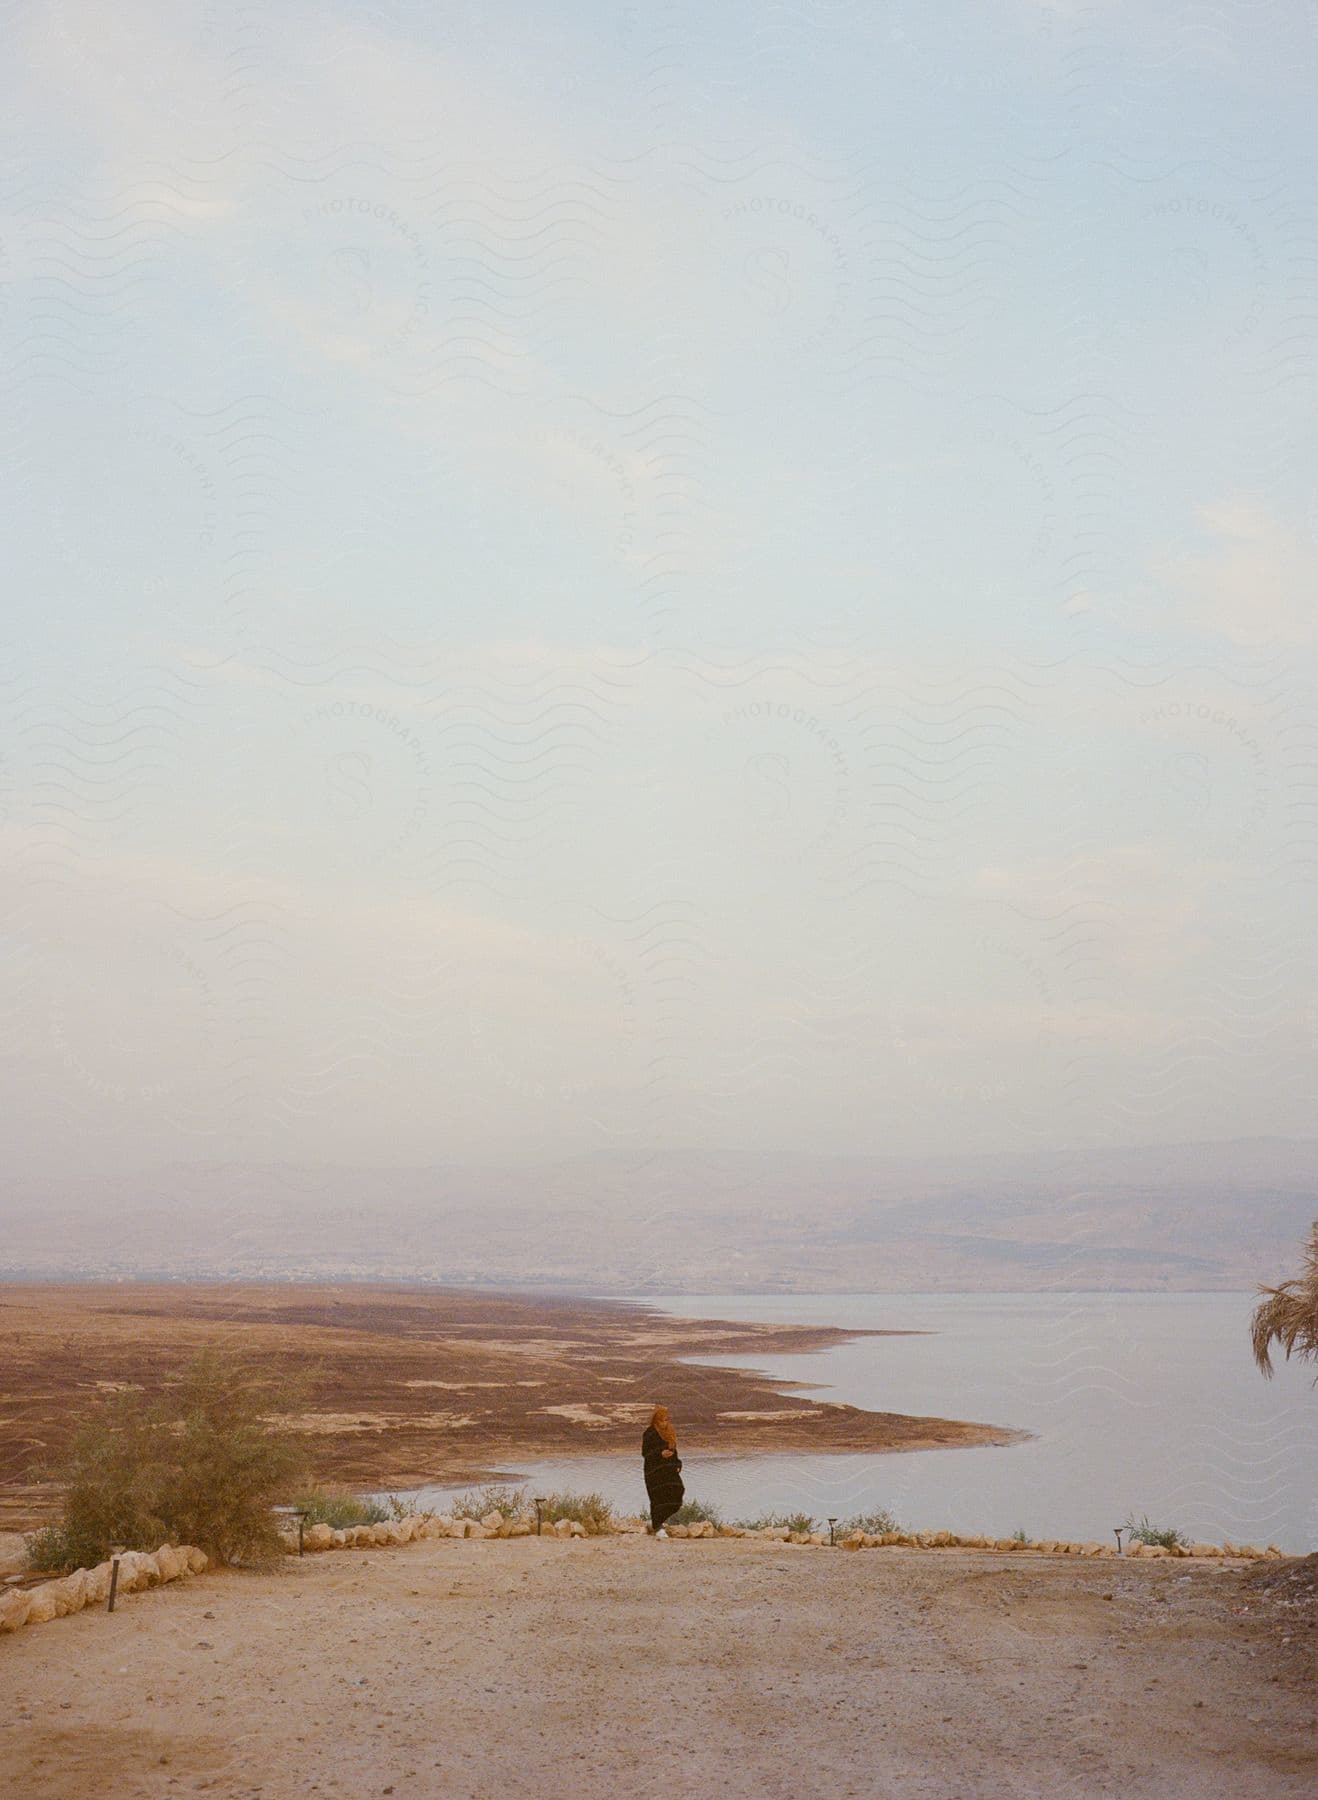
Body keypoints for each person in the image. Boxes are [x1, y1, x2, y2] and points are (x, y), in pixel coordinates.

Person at [641, 1404, 684, 1537]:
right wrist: (660, 1454)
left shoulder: (669, 1431)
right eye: (662, 1420)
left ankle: (657, 1521)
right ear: (656, 1420)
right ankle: (657, 1525)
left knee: (677, 1491)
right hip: (654, 1470)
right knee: (657, 1498)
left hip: (669, 1470)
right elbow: (645, 1453)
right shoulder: (649, 1433)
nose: (665, 1423)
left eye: (666, 1420)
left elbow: (673, 1449)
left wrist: (677, 1462)